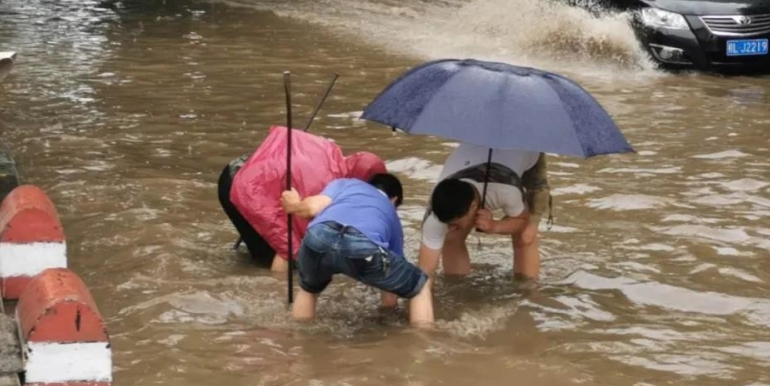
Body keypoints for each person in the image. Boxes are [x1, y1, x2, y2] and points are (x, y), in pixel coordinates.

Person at [217, 128, 387, 272]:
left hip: (242, 165)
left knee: (264, 246)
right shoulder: (327, 188)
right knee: (291, 251)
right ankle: (274, 290)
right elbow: (294, 238)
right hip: (242, 186)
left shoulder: (329, 148)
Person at [281, 175, 434, 326]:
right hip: (361, 245)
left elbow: (311, 209)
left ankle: (298, 342)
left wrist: (294, 205)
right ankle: (422, 343)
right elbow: (390, 296)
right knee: (420, 286)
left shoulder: (344, 184)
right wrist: (387, 317)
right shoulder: (391, 214)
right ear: (394, 200)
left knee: (308, 290)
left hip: (319, 235)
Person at [417, 144, 550, 281]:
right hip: (473, 153)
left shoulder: (507, 191)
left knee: (525, 236)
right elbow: (424, 274)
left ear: (474, 207)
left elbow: (522, 221)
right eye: (447, 223)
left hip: (527, 152)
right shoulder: (434, 215)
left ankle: (526, 292)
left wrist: (494, 226)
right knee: (451, 237)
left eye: (454, 223)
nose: (449, 227)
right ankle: (458, 288)